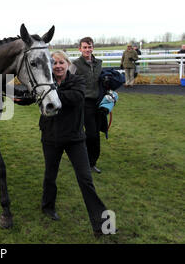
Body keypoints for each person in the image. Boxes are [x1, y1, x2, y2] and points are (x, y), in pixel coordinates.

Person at [39, 51, 110, 237]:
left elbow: (76, 98)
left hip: (75, 139)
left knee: (86, 179)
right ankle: (47, 206)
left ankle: (102, 223)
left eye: (61, 62)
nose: (58, 66)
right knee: (50, 175)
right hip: (51, 138)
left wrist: (49, 93)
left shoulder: (77, 81)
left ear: (67, 64)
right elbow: (29, 96)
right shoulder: (46, 83)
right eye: (54, 63)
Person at [69, 37, 103, 174]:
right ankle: (87, 162)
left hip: (98, 102)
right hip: (83, 102)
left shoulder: (99, 63)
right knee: (91, 134)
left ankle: (92, 161)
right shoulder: (75, 64)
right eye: (85, 47)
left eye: (90, 47)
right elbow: (68, 79)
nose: (87, 50)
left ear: (92, 47)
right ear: (80, 49)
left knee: (96, 133)